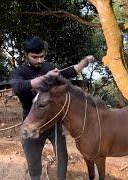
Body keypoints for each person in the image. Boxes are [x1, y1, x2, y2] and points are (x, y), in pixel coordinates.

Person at [10, 36, 94, 180]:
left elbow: (69, 72)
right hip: (32, 123)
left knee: (62, 156)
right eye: (34, 57)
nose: (39, 60)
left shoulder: (48, 67)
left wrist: (85, 62)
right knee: (33, 160)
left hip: (53, 123)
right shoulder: (19, 72)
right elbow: (18, 87)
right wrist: (45, 78)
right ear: (26, 55)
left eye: (42, 56)